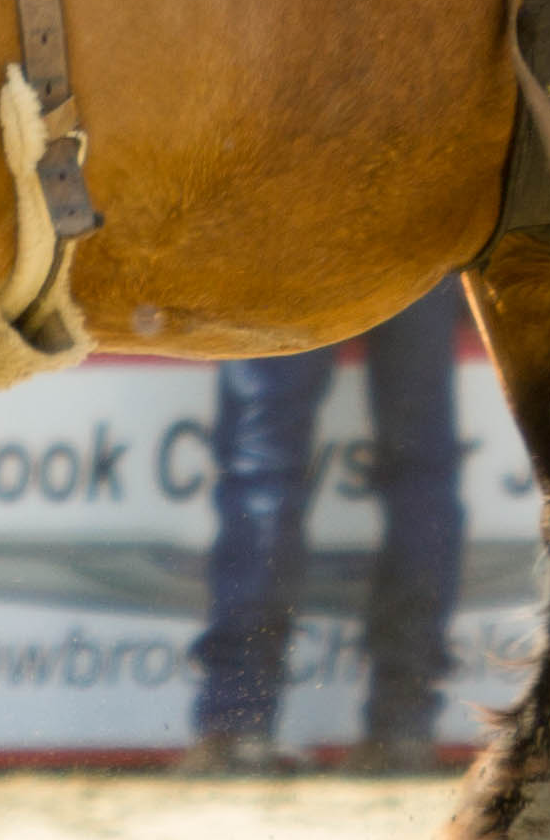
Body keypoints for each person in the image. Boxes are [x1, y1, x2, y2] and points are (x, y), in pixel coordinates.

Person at [185, 276, 472, 776]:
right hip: (418, 224)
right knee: (420, 471)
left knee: (264, 470)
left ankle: (239, 722)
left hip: (289, 232)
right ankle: (404, 725)